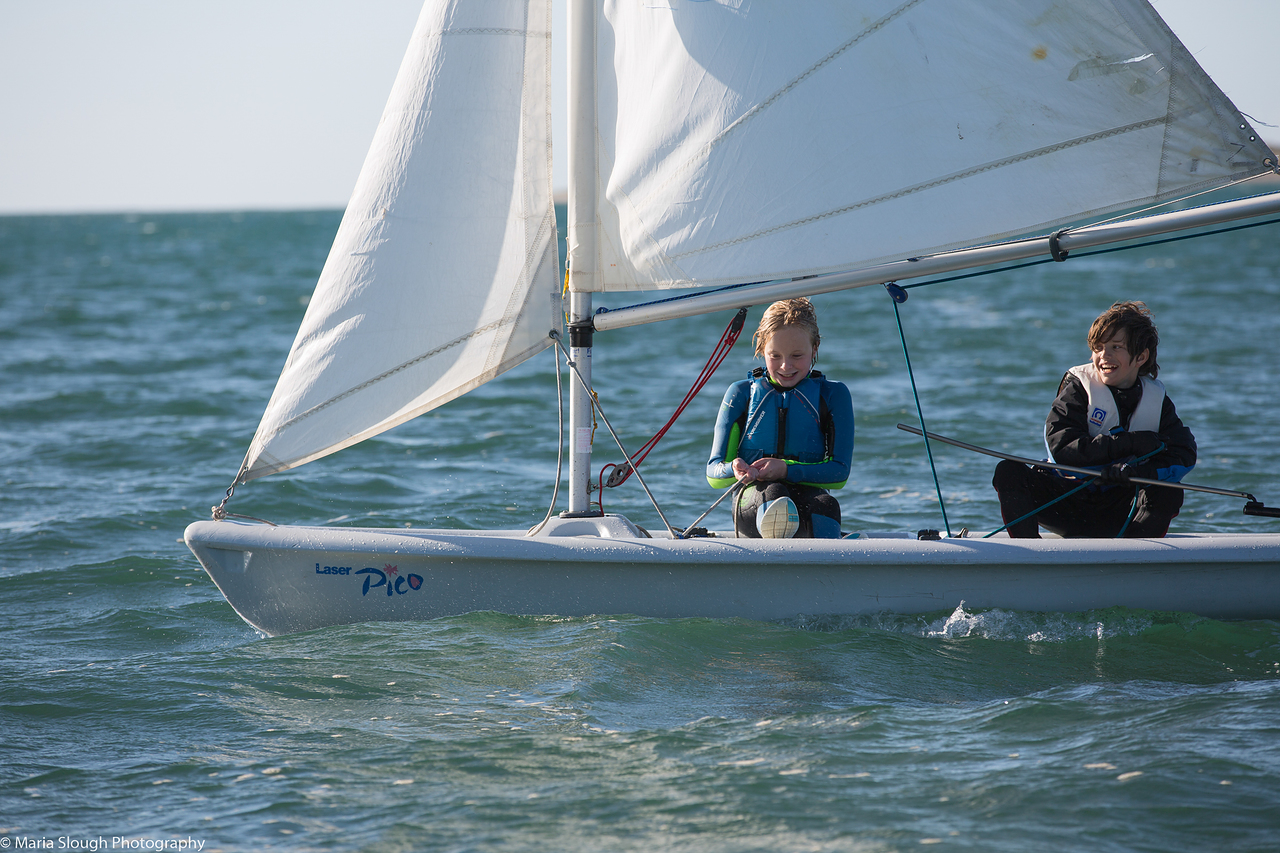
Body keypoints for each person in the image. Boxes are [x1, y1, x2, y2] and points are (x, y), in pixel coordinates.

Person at [992, 301, 1196, 538]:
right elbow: (1062, 449)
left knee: (1169, 489)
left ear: (1141, 356)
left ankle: (1134, 554)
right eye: (1098, 348)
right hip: (1068, 502)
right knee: (1008, 470)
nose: (1104, 356)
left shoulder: (1156, 399)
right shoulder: (1078, 388)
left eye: (1116, 347)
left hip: (1121, 510)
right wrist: (1129, 443)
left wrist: (1137, 472)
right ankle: (1031, 553)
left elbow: (1184, 454)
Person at [706, 298, 854, 538]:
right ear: (761, 349)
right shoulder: (741, 393)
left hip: (809, 496)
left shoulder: (833, 395)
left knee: (826, 505)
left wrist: (786, 469)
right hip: (754, 500)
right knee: (776, 495)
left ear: (815, 348)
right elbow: (713, 473)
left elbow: (840, 474)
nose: (786, 366)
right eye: (775, 355)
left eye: (797, 355)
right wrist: (733, 468)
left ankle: (829, 555)